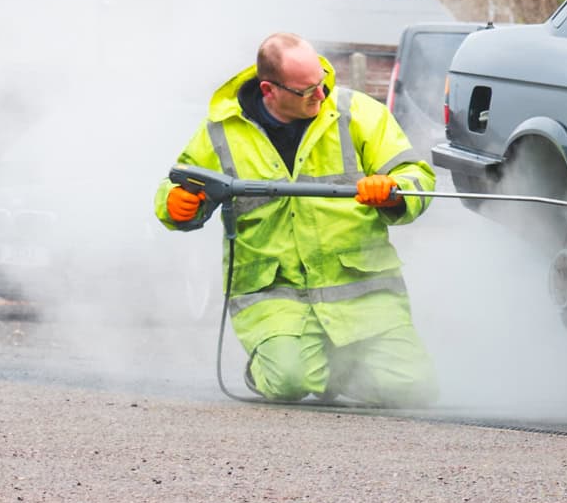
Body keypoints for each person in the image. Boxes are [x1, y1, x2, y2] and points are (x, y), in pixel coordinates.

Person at [155, 32, 439, 406]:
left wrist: (394, 191)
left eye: (321, 82)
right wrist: (174, 206)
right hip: (274, 293)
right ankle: (280, 367)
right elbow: (177, 185)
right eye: (307, 91)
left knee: (413, 390)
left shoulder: (358, 114)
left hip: (361, 289)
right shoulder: (222, 132)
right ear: (269, 90)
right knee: (288, 380)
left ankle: (335, 368)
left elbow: (417, 177)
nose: (321, 96)